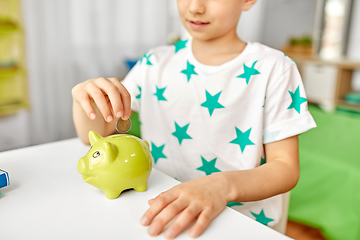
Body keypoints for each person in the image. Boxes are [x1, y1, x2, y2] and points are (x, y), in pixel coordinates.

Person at [72, 0, 316, 239]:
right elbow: (94, 134)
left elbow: (285, 168)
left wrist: (220, 186)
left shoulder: (275, 68)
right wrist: (83, 101)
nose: (195, 7)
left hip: (242, 223)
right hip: (164, 213)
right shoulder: (153, 63)